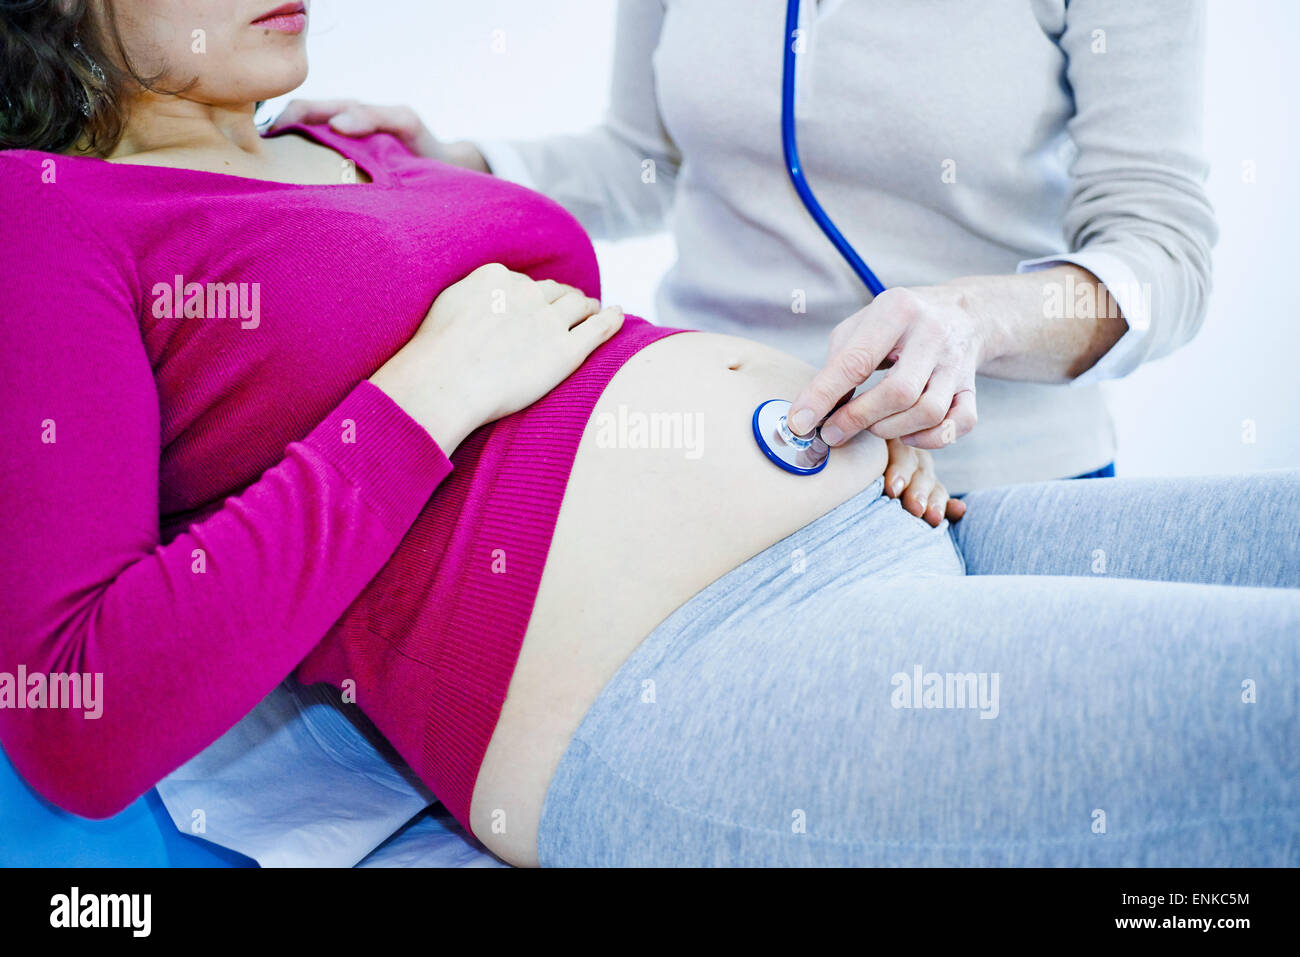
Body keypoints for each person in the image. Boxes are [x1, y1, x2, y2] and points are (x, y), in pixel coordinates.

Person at [1, 0, 1293, 869]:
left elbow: (1158, 245)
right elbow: (80, 709)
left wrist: (951, 333)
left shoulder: (342, 146)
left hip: (905, 509)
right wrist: (421, 400)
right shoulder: (49, 214)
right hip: (690, 673)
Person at [273, 0, 1219, 492]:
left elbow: (1161, 249)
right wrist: (457, 161)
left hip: (1007, 483)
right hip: (726, 462)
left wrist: (976, 318)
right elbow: (645, 158)